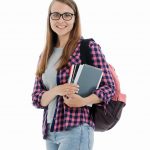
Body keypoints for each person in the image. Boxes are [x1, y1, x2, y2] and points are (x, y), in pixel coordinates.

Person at [32, 0, 115, 149]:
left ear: (75, 18)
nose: (61, 20)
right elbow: (37, 98)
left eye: (67, 15)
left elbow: (109, 87)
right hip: (50, 130)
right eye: (56, 15)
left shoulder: (88, 47)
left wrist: (83, 101)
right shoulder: (44, 55)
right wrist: (57, 90)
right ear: (49, 18)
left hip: (76, 128)